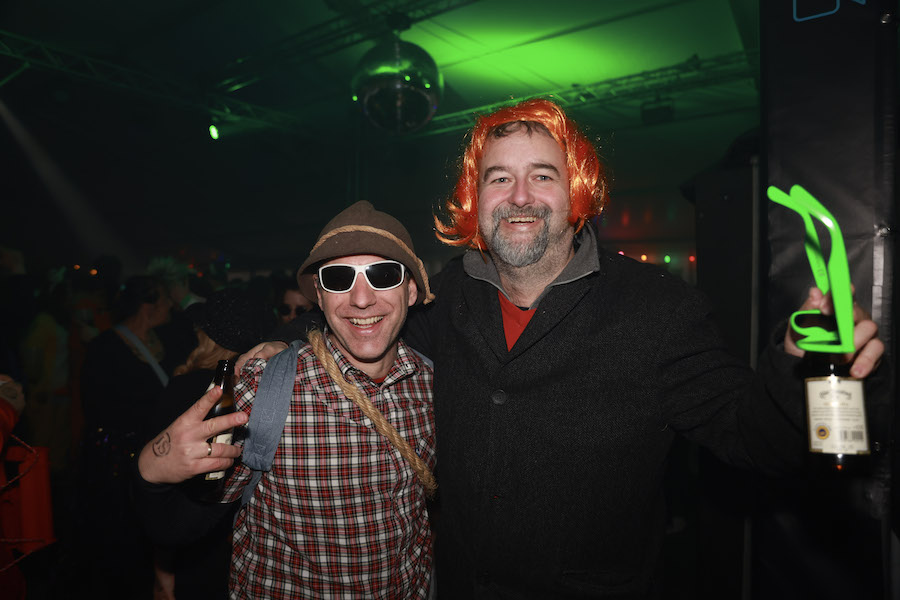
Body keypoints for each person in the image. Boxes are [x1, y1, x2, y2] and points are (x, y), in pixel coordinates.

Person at [247, 98, 884, 598]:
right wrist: (286, 344)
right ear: (476, 199)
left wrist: (801, 367)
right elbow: (368, 319)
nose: (520, 196)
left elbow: (750, 435)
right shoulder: (450, 297)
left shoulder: (658, 310)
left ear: (575, 191)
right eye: (499, 178)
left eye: (542, 175)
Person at [134, 201, 437, 599]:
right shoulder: (266, 389)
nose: (361, 299)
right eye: (339, 278)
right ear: (320, 297)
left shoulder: (433, 385)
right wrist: (152, 473)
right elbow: (180, 526)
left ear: (411, 290)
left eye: (383, 275)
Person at [143, 287, 274, 600]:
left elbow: (168, 486)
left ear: (205, 334)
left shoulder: (187, 388)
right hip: (250, 547)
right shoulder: (267, 390)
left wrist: (163, 570)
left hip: (195, 547)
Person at [78, 274, 173, 599]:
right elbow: (95, 407)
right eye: (165, 299)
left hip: (153, 455)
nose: (170, 305)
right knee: (119, 536)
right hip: (115, 460)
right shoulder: (105, 347)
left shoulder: (167, 340)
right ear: (148, 305)